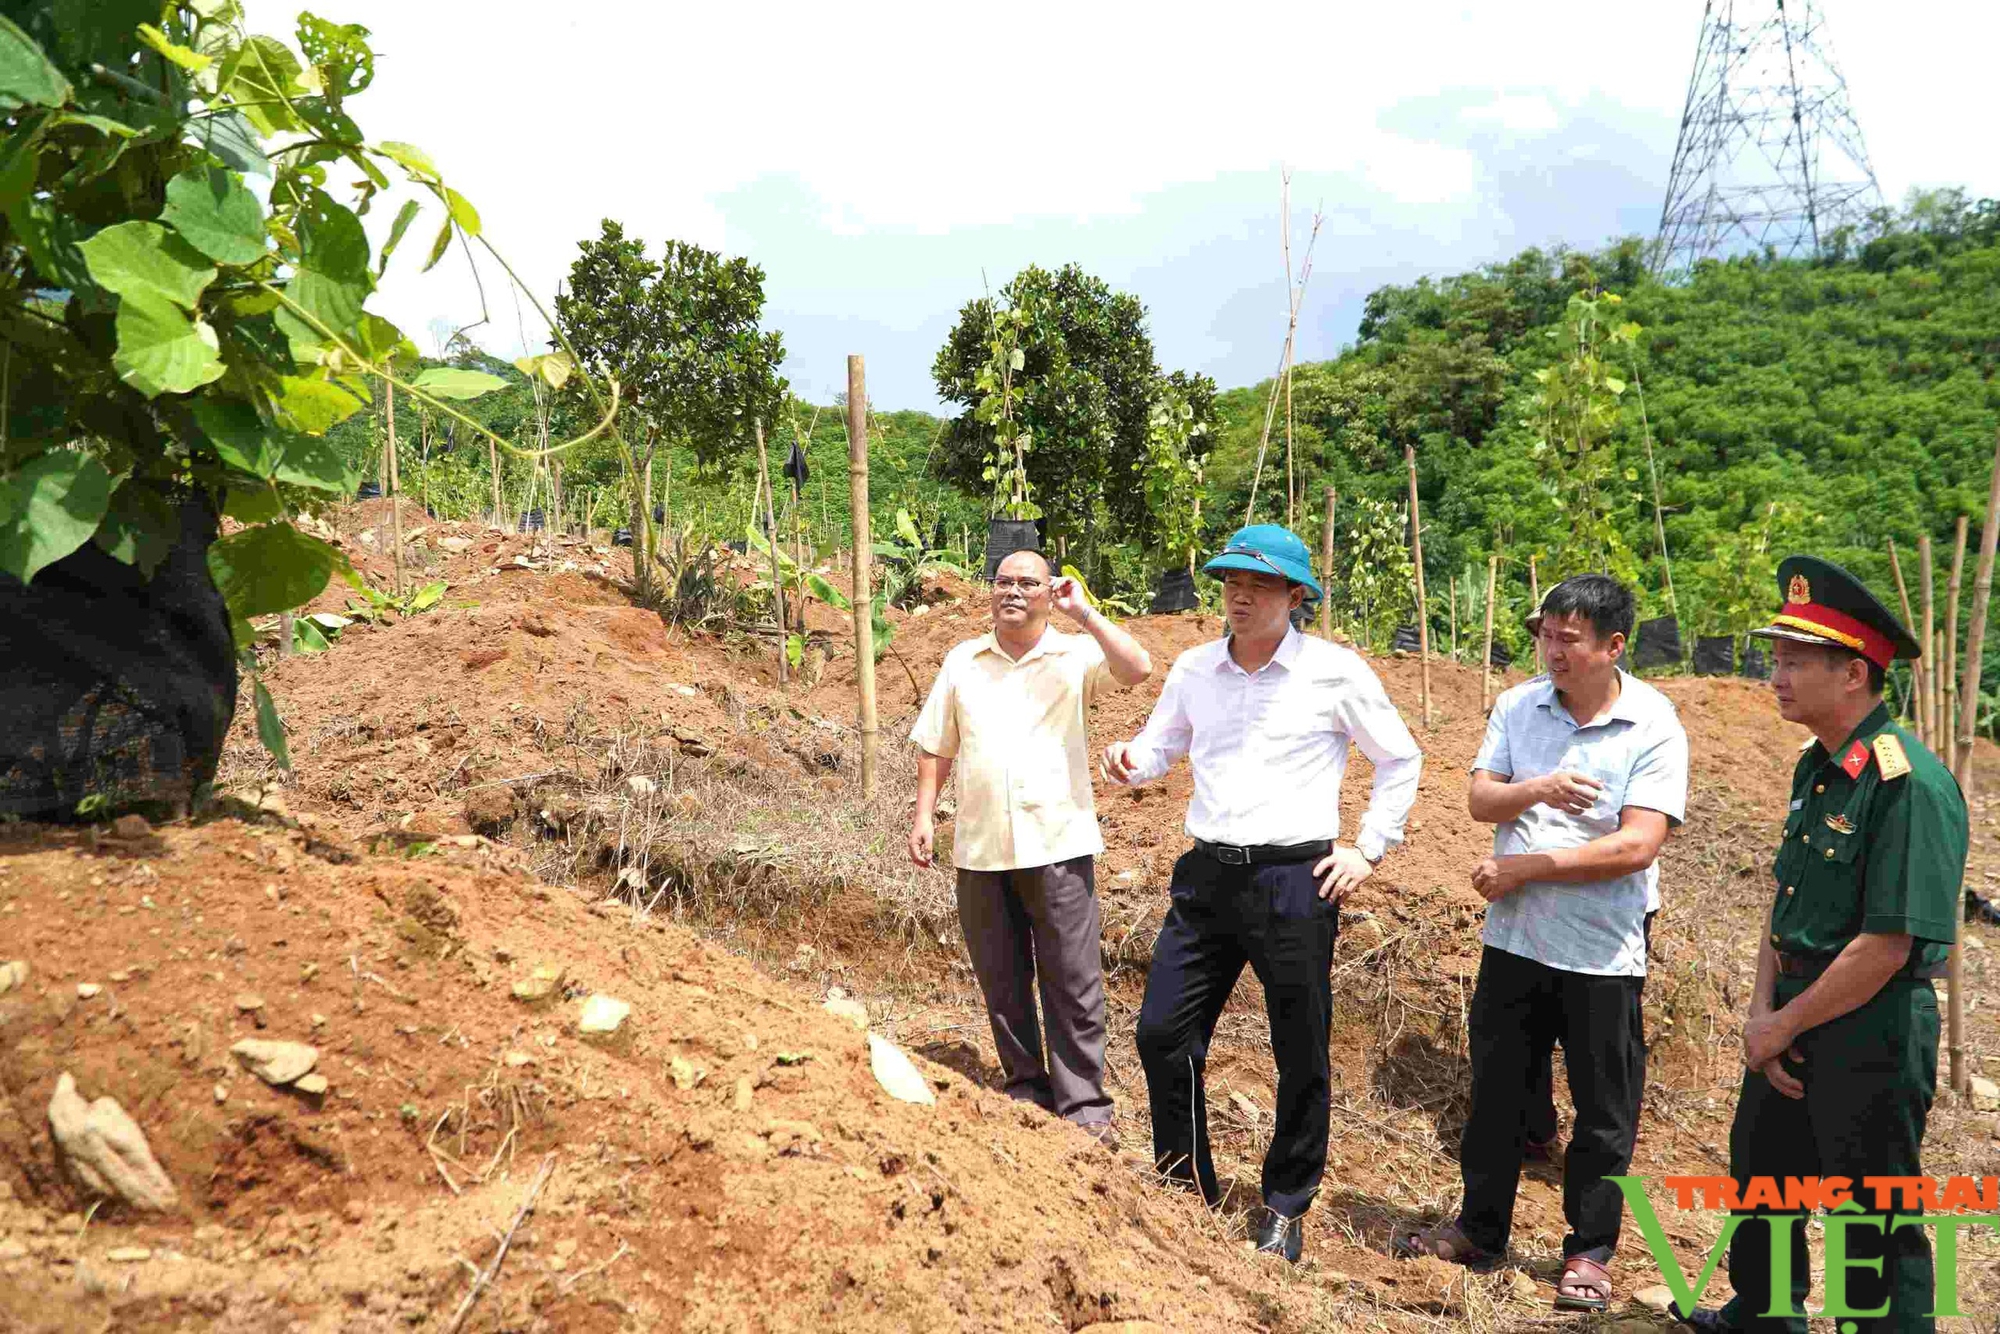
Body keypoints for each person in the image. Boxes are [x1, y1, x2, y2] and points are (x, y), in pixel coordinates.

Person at [1103, 523, 1422, 1263]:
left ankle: (1284, 1204)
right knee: (1162, 1032)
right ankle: (1184, 1181)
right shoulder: (1193, 668)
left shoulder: (1335, 674)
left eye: (1258, 585)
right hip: (1208, 875)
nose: (1239, 596)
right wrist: (1130, 761)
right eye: (1229, 583)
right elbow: (1162, 746)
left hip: (1294, 880)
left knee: (1300, 1047)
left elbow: (1399, 758)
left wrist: (1368, 848)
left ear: (1294, 595)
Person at [1682, 557, 1966, 1334]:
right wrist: (1761, 1014)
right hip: (1799, 1010)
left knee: (1872, 1210)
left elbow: (1886, 945)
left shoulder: (1908, 783)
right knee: (1764, 1176)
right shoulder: (1818, 768)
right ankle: (1764, 1315)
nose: (1775, 675)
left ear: (1853, 674)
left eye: (1795, 661)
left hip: (1869, 1023)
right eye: (1777, 658)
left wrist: (1786, 1022)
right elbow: (1787, 898)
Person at [1394, 574, 1688, 1314]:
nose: (1552, 650)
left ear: (1613, 646)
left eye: (1569, 638)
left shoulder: (1653, 724)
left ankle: (1589, 1253)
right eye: (1545, 635)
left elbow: (1638, 844)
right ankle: (1480, 1230)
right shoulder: (1519, 706)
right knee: (1496, 1095)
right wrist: (1539, 789)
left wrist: (1529, 866)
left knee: (1602, 1111)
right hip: (1516, 939)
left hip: (1602, 949)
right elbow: (1478, 797)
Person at [908, 548, 1153, 1143]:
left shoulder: (1073, 655)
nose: (1012, 591)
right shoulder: (963, 661)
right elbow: (937, 743)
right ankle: (1024, 1088)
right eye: (1003, 581)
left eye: (1027, 583)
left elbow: (1139, 668)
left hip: (1058, 843)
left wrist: (1086, 613)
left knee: (1072, 979)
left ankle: (1084, 1108)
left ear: (1050, 593)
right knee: (1002, 978)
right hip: (980, 847)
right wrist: (924, 814)